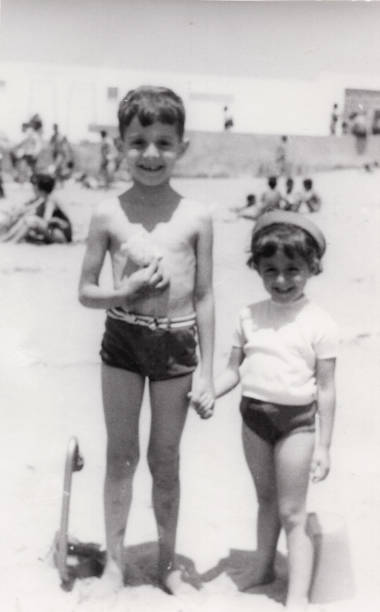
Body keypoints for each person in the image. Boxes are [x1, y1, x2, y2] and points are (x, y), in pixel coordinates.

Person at [78, 85, 215, 595]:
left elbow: (204, 297)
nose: (150, 154)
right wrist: (125, 290)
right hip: (124, 342)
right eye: (137, 142)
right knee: (121, 455)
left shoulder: (197, 215)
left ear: (182, 144)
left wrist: (205, 370)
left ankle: (167, 565)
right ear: (119, 144)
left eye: (163, 141)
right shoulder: (107, 213)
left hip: (176, 344)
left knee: (166, 459)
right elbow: (87, 293)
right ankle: (115, 564)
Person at [194, 211, 338, 611]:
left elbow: (326, 390)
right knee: (265, 499)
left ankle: (298, 595)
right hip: (254, 417)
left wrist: (324, 446)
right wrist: (209, 393)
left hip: (298, 424)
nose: (281, 280)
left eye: (293, 269)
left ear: (312, 267)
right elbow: (231, 372)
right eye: (270, 270)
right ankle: (262, 568)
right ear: (256, 267)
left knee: (293, 510)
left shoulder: (319, 322)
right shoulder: (249, 315)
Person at [0, 172, 72, 244]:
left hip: (62, 236)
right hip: (56, 232)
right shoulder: (44, 199)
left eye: (35, 184)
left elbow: (47, 220)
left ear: (40, 187)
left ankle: (12, 241)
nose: (33, 187)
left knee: (31, 220)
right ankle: (7, 239)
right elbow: (29, 208)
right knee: (26, 218)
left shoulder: (51, 200)